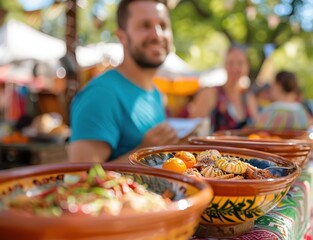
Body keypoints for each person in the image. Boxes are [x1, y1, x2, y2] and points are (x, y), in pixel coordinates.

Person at [68, 0, 179, 163]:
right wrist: (144, 154)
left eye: (163, 25)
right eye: (145, 25)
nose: (157, 35)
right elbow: (80, 179)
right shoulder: (101, 95)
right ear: (122, 37)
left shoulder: (155, 93)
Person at [189, 46, 258, 132]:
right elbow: (193, 129)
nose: (235, 68)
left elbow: (256, 129)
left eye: (240, 63)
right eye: (231, 63)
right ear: (225, 65)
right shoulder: (211, 93)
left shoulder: (249, 97)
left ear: (247, 66)